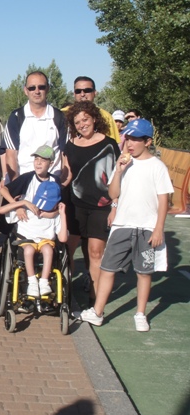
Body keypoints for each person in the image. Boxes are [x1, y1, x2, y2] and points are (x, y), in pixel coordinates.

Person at [78, 119, 173, 332]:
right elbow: (113, 194)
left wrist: (158, 228)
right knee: (107, 268)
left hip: (147, 227)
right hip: (122, 225)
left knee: (144, 272)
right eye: (127, 138)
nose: (129, 143)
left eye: (135, 139)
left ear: (147, 141)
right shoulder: (124, 163)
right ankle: (98, 312)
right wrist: (119, 171)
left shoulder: (157, 167)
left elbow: (164, 200)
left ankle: (140, 313)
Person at [61, 101, 120, 305]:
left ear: (95, 118)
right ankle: (65, 294)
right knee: (68, 250)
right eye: (77, 122)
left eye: (85, 119)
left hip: (100, 207)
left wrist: (115, 206)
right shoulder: (69, 145)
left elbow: (118, 177)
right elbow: (66, 175)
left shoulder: (109, 144)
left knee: (95, 252)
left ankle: (94, 301)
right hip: (74, 206)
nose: (82, 124)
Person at [0, 146, 66, 298]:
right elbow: (4, 190)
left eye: (43, 160)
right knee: (28, 250)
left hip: (45, 226)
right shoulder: (28, 177)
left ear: (51, 163)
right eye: (36, 159)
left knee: (48, 249)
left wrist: (53, 214)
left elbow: (60, 204)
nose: (38, 163)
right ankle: (32, 283)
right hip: (27, 219)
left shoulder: (55, 181)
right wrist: (19, 206)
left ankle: (44, 281)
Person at [1, 71, 68, 182]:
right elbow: (11, 154)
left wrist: (62, 182)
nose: (37, 91)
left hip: (52, 183)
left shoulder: (60, 117)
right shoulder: (16, 117)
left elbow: (65, 153)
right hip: (24, 183)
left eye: (41, 87)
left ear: (48, 89)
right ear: (25, 90)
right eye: (32, 88)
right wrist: (16, 185)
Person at [63, 76, 121, 143]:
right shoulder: (62, 114)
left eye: (87, 90)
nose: (82, 94)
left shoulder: (106, 116)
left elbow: (112, 145)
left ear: (95, 93)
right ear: (74, 94)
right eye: (78, 91)